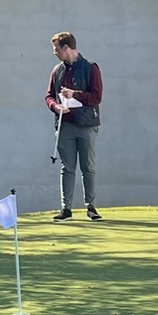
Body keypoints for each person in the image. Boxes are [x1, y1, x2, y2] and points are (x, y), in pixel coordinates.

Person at [45, 31, 103, 221]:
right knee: (67, 167)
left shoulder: (90, 68)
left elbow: (96, 97)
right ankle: (66, 209)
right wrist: (56, 106)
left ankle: (91, 208)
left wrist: (75, 94)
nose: (54, 53)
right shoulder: (57, 71)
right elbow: (49, 96)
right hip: (65, 126)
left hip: (87, 125)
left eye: (56, 49)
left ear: (66, 48)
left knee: (88, 167)